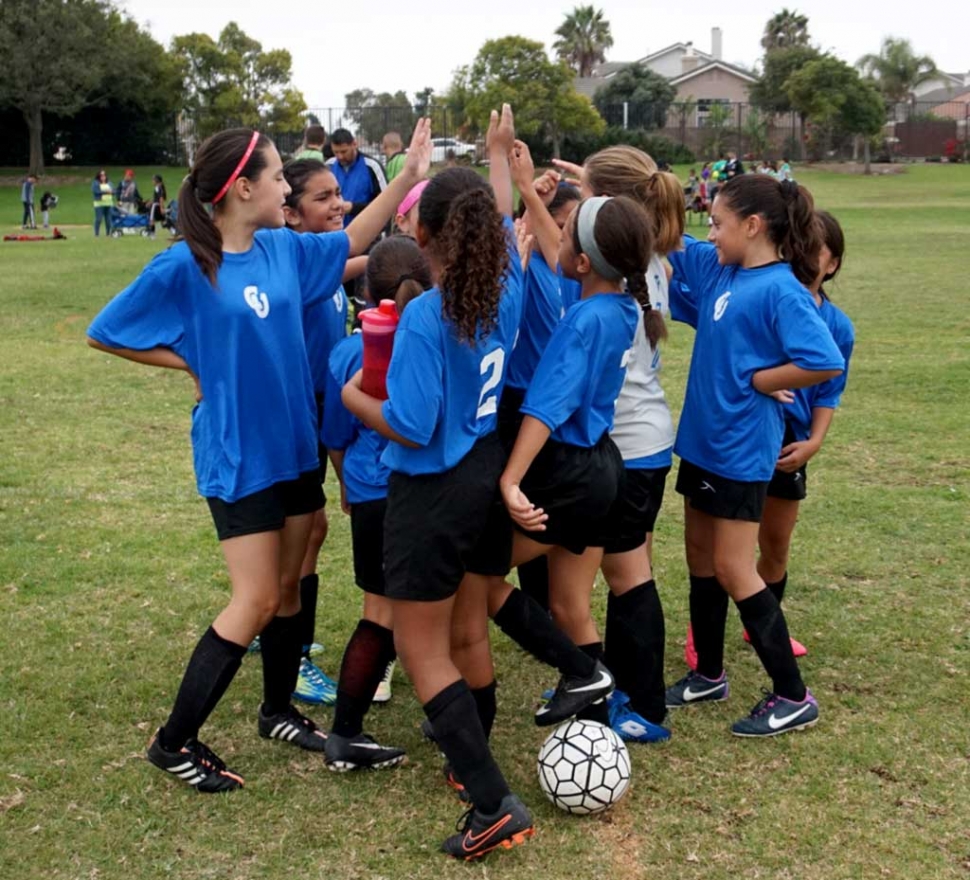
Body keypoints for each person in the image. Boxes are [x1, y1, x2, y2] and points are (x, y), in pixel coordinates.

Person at [86, 121, 432, 793]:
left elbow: (353, 240)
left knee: (288, 587)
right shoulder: (187, 264)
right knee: (251, 598)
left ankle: (276, 711)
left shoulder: (283, 249)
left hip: (295, 445)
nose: (284, 184)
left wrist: (412, 176)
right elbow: (108, 332)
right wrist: (191, 360)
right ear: (242, 187)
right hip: (239, 453)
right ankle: (173, 741)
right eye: (276, 176)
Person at [339, 106, 536, 860]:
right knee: (457, 631)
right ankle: (477, 773)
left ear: (423, 238)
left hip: (431, 488)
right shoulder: (504, 288)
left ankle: (492, 804)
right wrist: (496, 161)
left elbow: (411, 424)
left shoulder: (427, 317)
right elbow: (504, 217)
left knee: (422, 648)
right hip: (481, 474)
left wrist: (356, 394)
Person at [664, 174, 846, 738]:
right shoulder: (722, 269)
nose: (710, 232)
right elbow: (670, 236)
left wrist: (765, 378)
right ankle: (709, 673)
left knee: (733, 567)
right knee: (699, 558)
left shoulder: (781, 288)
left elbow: (823, 359)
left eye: (718, 223)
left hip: (741, 451)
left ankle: (793, 696)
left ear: (753, 225)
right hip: (700, 443)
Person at [321, 236, 432, 771]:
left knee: (381, 612)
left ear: (364, 290)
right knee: (431, 611)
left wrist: (347, 485)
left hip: (372, 494)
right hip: (422, 493)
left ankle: (347, 732)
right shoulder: (435, 336)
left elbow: (337, 438)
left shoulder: (347, 353)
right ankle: (348, 735)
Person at [280, 157, 368, 706]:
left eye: (339, 193)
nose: (338, 204)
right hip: (304, 416)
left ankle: (276, 625)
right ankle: (296, 653)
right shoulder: (296, 270)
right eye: (322, 197)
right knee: (306, 533)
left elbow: (347, 266)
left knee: (305, 534)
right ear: (289, 214)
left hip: (316, 413)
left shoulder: (318, 266)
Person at [755, 210, 854, 655]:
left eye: (814, 249)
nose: (802, 255)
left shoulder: (838, 327)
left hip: (791, 446)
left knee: (775, 547)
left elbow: (831, 388)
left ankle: (763, 625)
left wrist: (815, 440)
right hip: (747, 432)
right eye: (797, 245)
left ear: (831, 263)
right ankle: (704, 635)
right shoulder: (768, 297)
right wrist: (767, 382)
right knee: (724, 549)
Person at [326, 129, 388, 227]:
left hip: (366, 233)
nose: (340, 156)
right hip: (336, 233)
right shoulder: (328, 166)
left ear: (354, 144)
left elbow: (386, 203)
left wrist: (353, 208)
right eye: (336, 152)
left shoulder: (372, 167)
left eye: (344, 151)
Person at [91, 170, 113, 237]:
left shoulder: (109, 183)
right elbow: (96, 191)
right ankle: (96, 233)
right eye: (101, 175)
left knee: (108, 219)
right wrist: (106, 192)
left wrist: (113, 192)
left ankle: (108, 233)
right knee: (99, 219)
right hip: (99, 204)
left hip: (108, 203)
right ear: (98, 176)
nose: (103, 177)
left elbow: (113, 190)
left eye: (104, 175)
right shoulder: (95, 183)